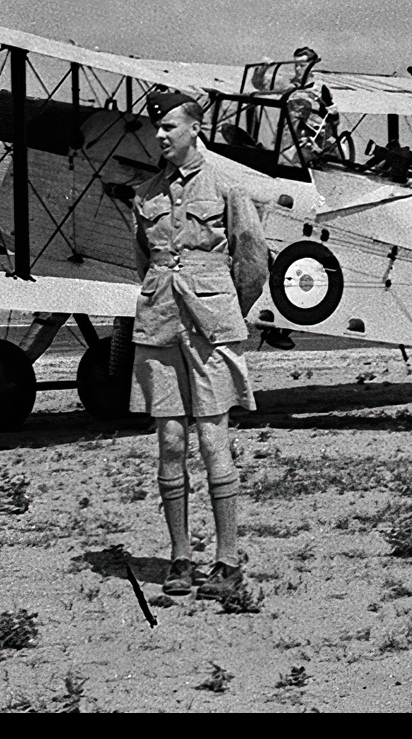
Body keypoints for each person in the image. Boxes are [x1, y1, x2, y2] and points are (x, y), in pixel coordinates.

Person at [130, 89, 268, 600]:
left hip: (211, 327)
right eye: (156, 128)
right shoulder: (146, 195)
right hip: (159, 323)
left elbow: (252, 260)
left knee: (213, 442)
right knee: (169, 441)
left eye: (169, 126)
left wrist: (224, 308)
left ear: (194, 128)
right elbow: (143, 261)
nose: (161, 135)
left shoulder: (228, 187)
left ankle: (227, 562)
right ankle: (180, 558)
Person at [277, 46, 340, 167]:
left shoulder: (320, 88)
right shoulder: (290, 85)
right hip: (286, 136)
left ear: (311, 66)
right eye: (296, 65)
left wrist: (333, 114)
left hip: (309, 140)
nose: (297, 69)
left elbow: (333, 119)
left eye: (302, 65)